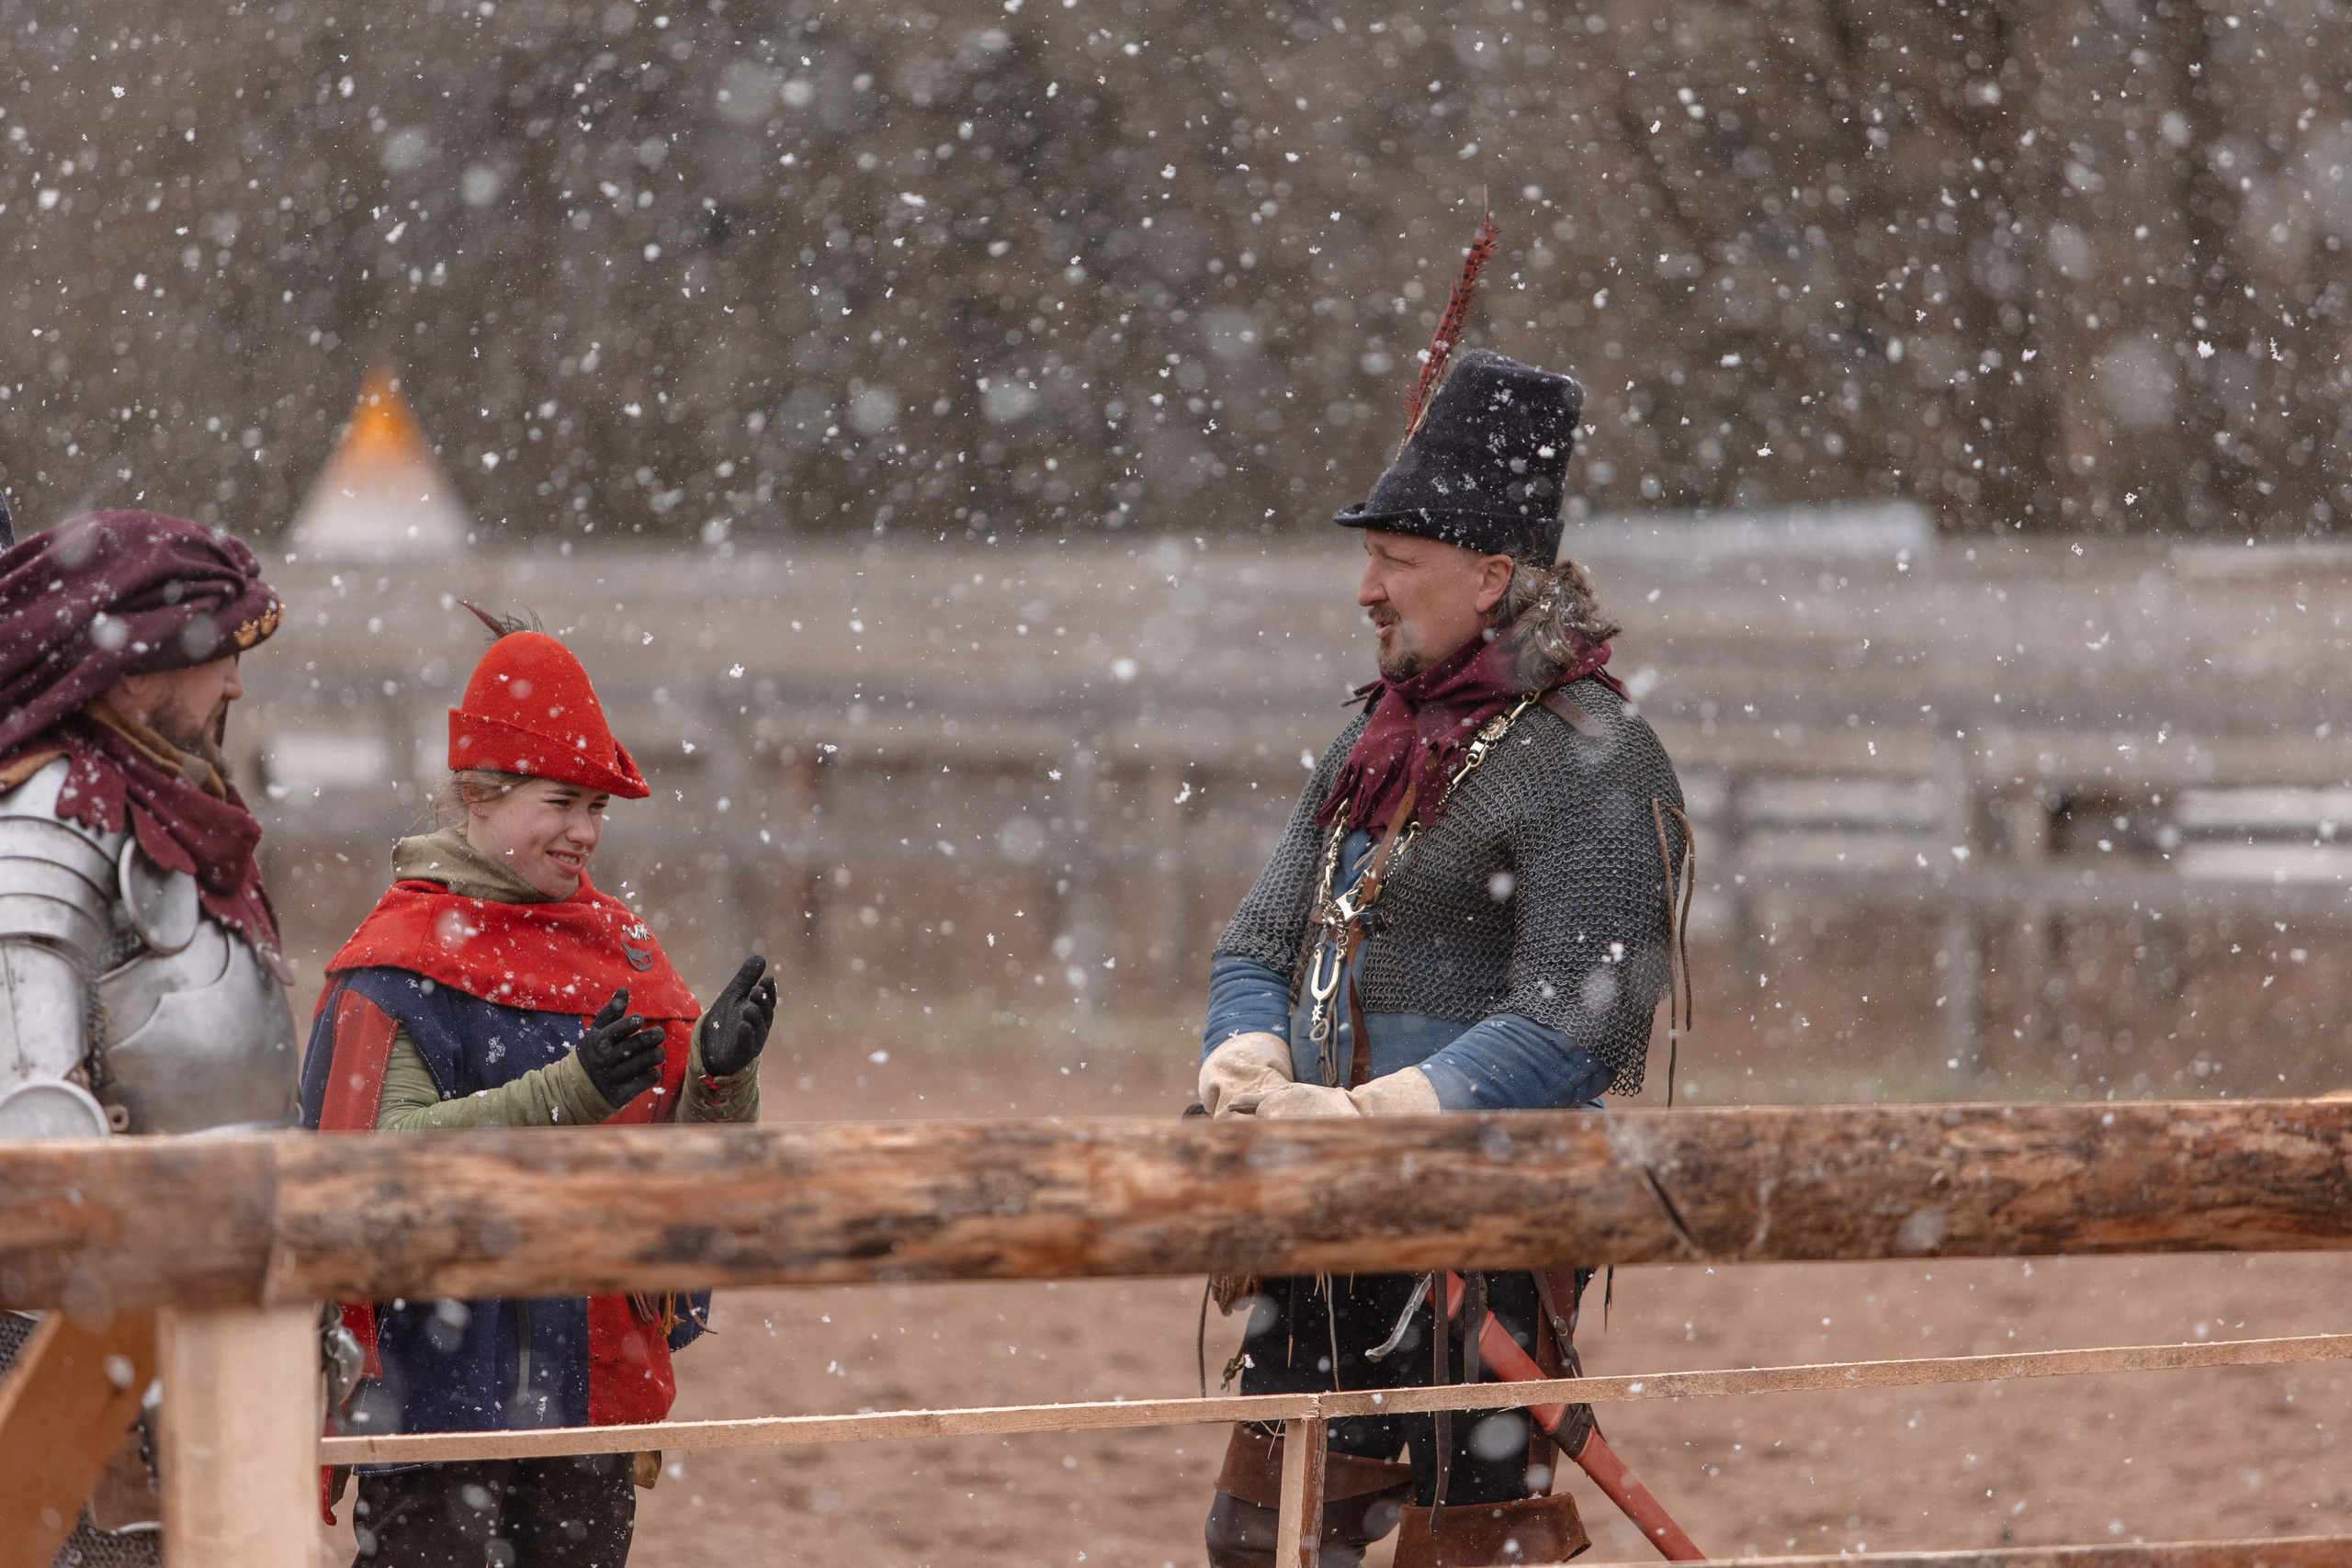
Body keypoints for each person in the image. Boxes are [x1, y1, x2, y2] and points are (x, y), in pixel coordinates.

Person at [1194, 351, 1690, 1567]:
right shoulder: (1378, 732)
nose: (1366, 587)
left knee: (1467, 1551)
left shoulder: (1593, 754)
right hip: (1315, 1224)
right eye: (1369, 557)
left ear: (1492, 573)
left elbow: (1582, 1017)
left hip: (1486, 1236)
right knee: (1263, 1540)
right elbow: (1262, 933)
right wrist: (1248, 1056)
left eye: (1394, 560)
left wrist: (1387, 1113)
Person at [299, 615, 778, 1568]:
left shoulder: (622, 956)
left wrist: (722, 1083)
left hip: (587, 1387)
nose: (585, 833)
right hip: (435, 1397)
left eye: (598, 809)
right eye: (562, 802)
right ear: (479, 795)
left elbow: (678, 1175)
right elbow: (372, 1172)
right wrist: (565, 1095)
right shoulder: (396, 970)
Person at [0, 509, 297, 1561]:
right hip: (77, 1343)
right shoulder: (51, 828)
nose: (236, 684)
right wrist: (104, 1376)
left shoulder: (165, 812)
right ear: (131, 677)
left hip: (196, 1314)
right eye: (217, 655)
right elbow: (31, 1128)